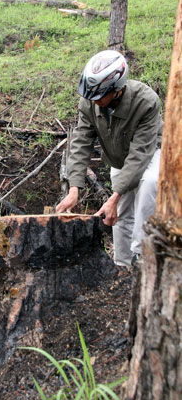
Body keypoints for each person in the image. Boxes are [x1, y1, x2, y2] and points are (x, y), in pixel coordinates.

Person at [56, 50, 163, 267]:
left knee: (147, 188)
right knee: (120, 215)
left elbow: (139, 155)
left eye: (98, 96)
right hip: (119, 158)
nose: (93, 101)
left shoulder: (146, 102)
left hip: (149, 154)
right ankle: (122, 266)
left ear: (117, 89)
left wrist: (114, 197)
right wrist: (74, 188)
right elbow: (81, 142)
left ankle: (144, 260)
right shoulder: (89, 102)